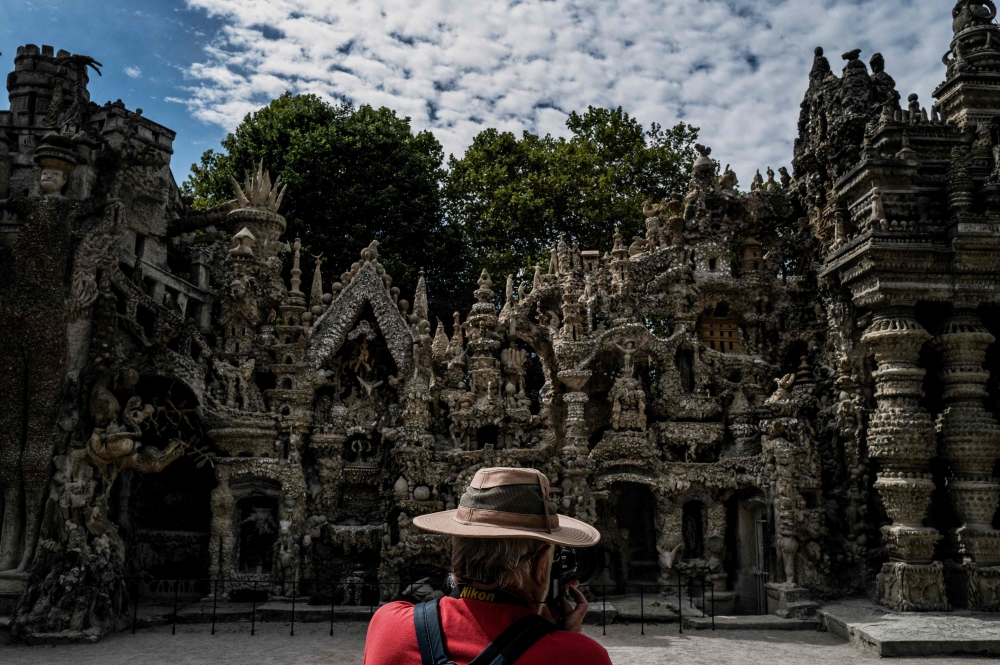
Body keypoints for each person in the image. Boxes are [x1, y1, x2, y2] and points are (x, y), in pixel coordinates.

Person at [364, 467, 611, 665]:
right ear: (539, 565)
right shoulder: (580, 657)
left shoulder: (389, 627)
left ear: (455, 556)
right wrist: (563, 640)